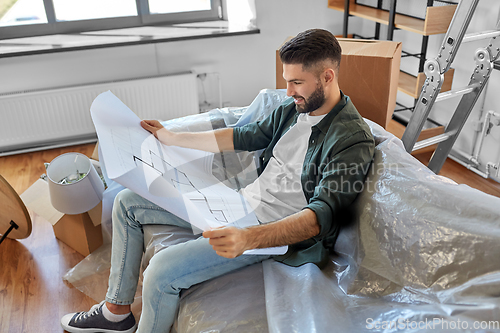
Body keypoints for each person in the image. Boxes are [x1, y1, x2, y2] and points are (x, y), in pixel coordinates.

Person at [61, 28, 375, 333]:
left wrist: (248, 239)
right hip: (240, 202)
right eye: (287, 81)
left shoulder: (350, 138)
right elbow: (248, 134)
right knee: (127, 203)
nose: (289, 91)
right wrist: (173, 137)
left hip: (270, 233)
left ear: (327, 77)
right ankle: (116, 314)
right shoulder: (298, 107)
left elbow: (320, 217)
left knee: (160, 271)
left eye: (296, 82)